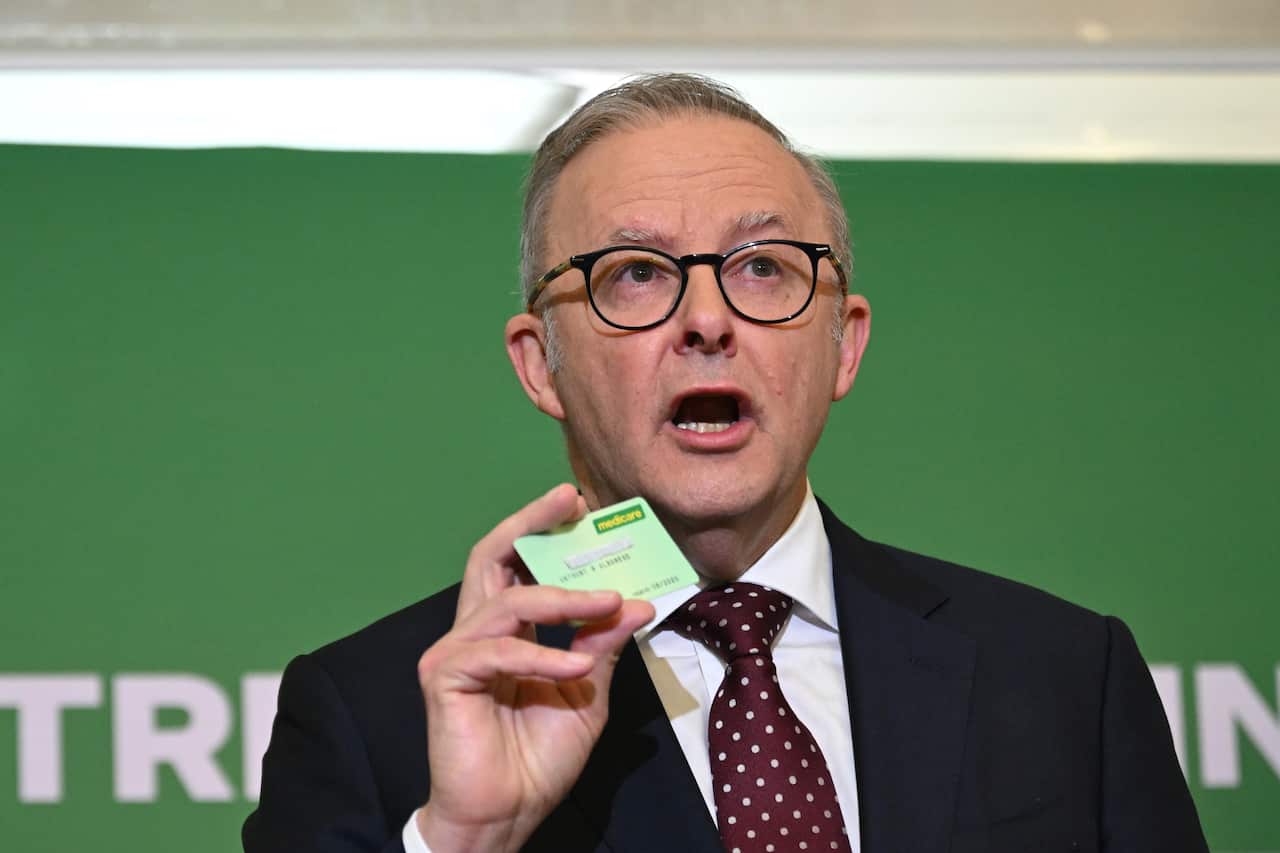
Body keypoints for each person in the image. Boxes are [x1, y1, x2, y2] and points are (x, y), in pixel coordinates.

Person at [243, 73, 1207, 853]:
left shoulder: (1064, 676)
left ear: (843, 344)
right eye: (634, 274)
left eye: (762, 267)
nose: (707, 320)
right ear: (542, 364)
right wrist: (466, 839)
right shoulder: (375, 717)